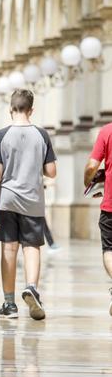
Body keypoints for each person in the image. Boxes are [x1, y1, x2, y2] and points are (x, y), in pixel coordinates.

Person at [0, 89, 57, 321]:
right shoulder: (42, 135)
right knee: (32, 247)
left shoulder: (0, 136)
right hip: (33, 201)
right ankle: (32, 288)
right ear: (31, 110)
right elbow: (51, 172)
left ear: (10, 109)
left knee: (8, 249)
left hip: (6, 201)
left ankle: (9, 304)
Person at [84, 121, 112, 316]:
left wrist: (89, 181)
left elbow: (92, 165)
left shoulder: (107, 131)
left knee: (109, 249)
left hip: (111, 206)